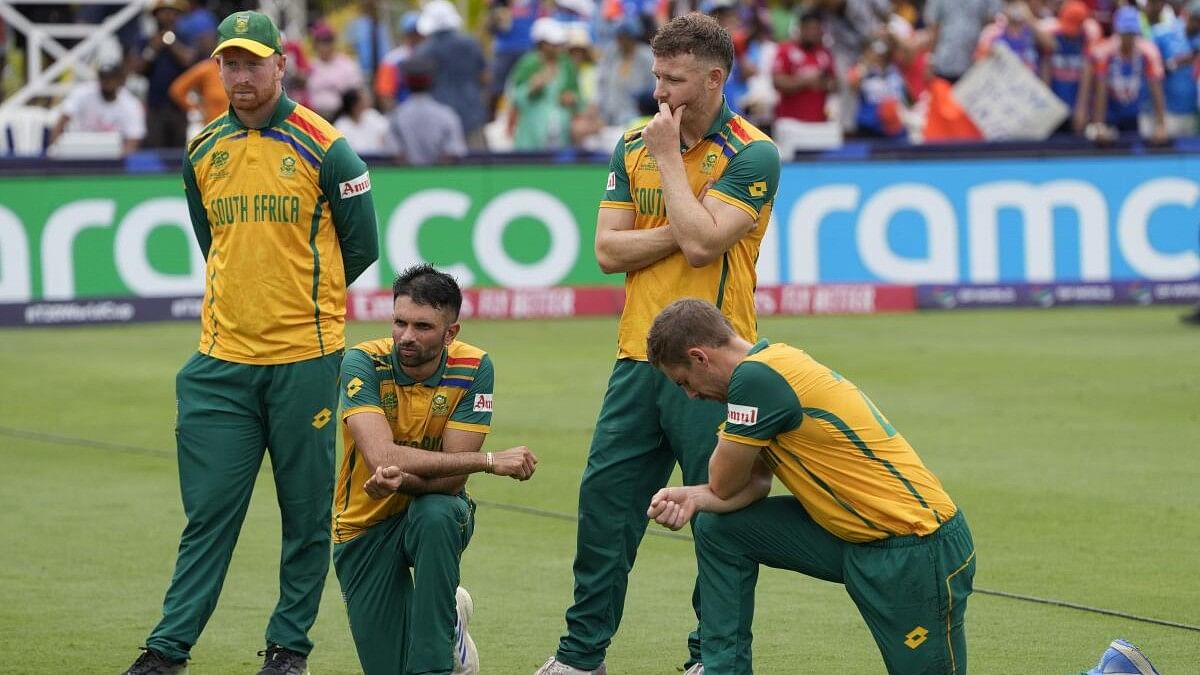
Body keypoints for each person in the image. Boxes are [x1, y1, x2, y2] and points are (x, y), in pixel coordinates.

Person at [123, 10, 379, 675]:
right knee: (208, 515)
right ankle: (167, 650)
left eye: (251, 63)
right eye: (229, 64)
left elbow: (362, 247)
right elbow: (214, 245)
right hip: (220, 365)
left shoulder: (329, 147)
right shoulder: (203, 149)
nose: (239, 76)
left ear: (280, 65)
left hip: (306, 359)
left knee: (304, 514)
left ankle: (287, 648)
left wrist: (301, 305)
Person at [535, 13, 781, 675]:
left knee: (720, 515)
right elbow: (609, 251)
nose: (660, 92)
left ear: (714, 77)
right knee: (604, 509)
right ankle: (581, 657)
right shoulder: (631, 142)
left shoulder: (753, 152)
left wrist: (673, 167)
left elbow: (706, 245)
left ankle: (714, 659)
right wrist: (689, 214)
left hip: (721, 368)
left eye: (674, 79)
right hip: (636, 359)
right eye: (656, 75)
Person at [645, 298, 976, 675]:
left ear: (700, 357)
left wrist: (705, 492)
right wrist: (692, 498)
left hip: (915, 549)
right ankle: (721, 669)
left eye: (684, 382)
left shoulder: (755, 380)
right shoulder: (772, 363)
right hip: (855, 539)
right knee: (720, 528)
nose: (690, 396)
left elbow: (723, 482)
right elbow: (755, 484)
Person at [333, 264, 539, 675]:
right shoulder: (361, 362)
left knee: (436, 514)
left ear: (451, 333)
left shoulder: (475, 367)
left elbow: (449, 484)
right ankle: (452, 614)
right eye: (399, 322)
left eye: (423, 326)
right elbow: (380, 457)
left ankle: (436, 666)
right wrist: (490, 461)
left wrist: (401, 479)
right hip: (362, 524)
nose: (407, 337)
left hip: (436, 511)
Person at [49, 64, 146, 156]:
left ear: (120, 80)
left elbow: (134, 138)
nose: (107, 82)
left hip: (114, 155)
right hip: (81, 151)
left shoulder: (131, 104)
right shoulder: (83, 92)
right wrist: (55, 147)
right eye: (103, 78)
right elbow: (62, 121)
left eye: (111, 78)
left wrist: (119, 162)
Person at [388, 56, 468, 165]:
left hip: (407, 178)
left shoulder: (397, 115)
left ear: (406, 82)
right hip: (441, 179)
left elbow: (397, 155)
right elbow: (452, 154)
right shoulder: (447, 115)